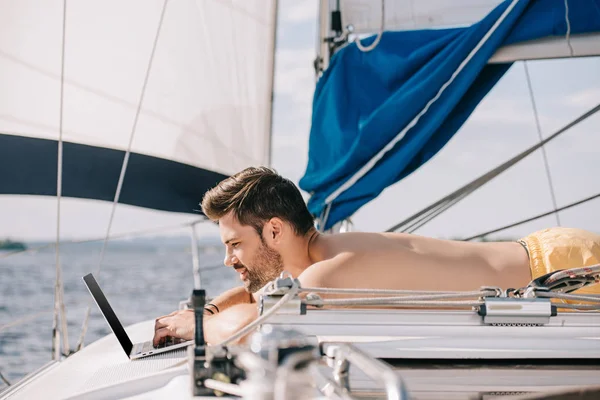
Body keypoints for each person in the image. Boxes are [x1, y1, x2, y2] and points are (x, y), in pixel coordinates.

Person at [153, 167, 600, 346]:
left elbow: (255, 329)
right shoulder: (320, 256)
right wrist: (206, 310)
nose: (229, 258)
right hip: (552, 253)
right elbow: (254, 299)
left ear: (274, 229)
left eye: (235, 245)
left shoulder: (331, 272)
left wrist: (194, 326)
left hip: (565, 273)